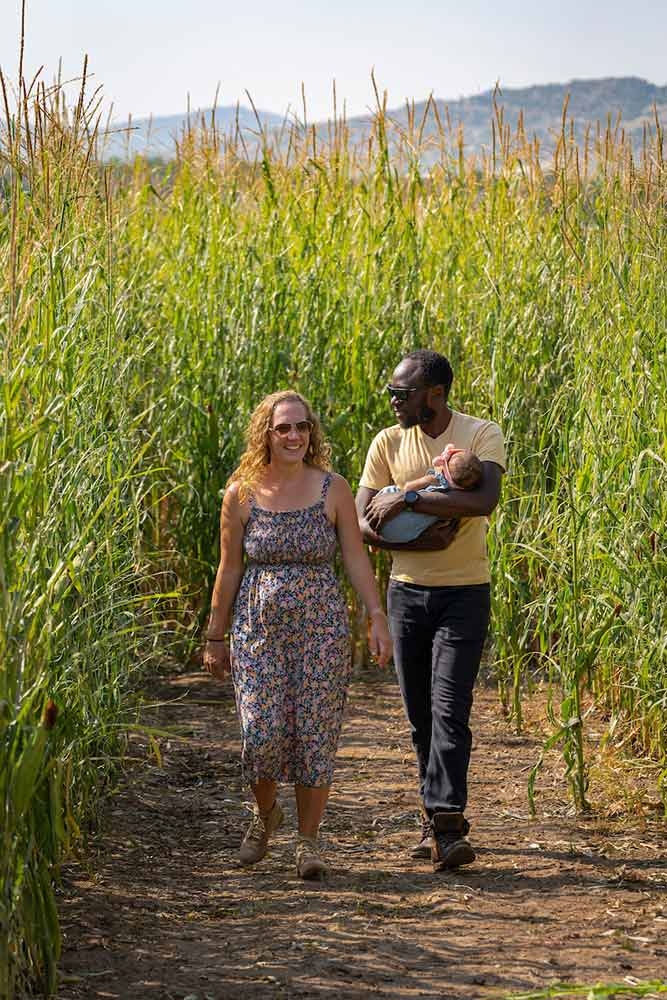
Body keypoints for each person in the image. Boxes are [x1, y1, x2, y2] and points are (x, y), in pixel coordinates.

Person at [203, 390, 393, 880]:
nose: (294, 436)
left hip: (321, 629)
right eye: (283, 427)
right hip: (257, 630)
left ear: (312, 433)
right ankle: (265, 817)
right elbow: (228, 570)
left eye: (302, 427)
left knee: (314, 735)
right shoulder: (240, 492)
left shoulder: (333, 489)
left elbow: (354, 556)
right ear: (265, 433)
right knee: (260, 733)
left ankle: (308, 842)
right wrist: (215, 636)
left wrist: (376, 615)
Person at [355, 349, 505, 871]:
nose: (394, 401)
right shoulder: (387, 442)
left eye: (403, 393)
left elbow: (482, 500)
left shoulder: (480, 433)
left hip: (465, 594)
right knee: (421, 718)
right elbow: (364, 524)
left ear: (435, 396)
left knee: (449, 710)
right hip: (406, 593)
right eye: (392, 393)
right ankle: (435, 820)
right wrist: (426, 544)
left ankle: (446, 819)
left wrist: (410, 501)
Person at [375, 445, 483, 543]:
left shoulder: (434, 480)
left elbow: (408, 488)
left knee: (390, 491)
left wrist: (403, 493)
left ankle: (375, 534)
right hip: (406, 535)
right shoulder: (455, 502)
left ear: (444, 466)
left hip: (386, 519)